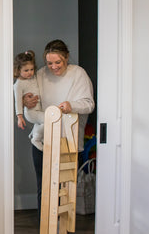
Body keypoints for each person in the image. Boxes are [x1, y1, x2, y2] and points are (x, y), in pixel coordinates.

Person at [23, 39, 95, 219]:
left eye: (58, 62)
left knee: (65, 188)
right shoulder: (40, 74)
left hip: (68, 141)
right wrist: (27, 102)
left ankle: (63, 228)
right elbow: (31, 103)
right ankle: (45, 226)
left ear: (66, 58)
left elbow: (88, 104)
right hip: (43, 139)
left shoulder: (78, 74)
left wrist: (71, 105)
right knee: (44, 186)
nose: (53, 67)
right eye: (49, 63)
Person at [13, 50, 44, 148]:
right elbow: (17, 101)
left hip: (38, 109)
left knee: (46, 120)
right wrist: (19, 117)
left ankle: (34, 132)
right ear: (18, 70)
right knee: (49, 120)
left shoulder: (33, 77)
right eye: (26, 70)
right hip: (31, 112)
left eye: (31, 69)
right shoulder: (18, 85)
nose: (30, 72)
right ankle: (36, 139)